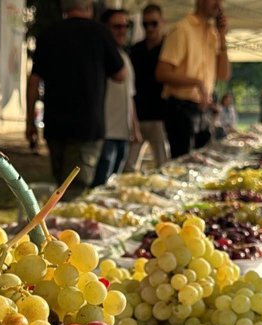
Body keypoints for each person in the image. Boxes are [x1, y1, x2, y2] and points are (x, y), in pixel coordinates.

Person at [26, 0, 125, 192]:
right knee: (74, 190)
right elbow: (120, 74)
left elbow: (33, 82)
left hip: (55, 126)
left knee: (61, 186)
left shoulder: (49, 34)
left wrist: (30, 122)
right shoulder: (99, 32)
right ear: (88, 7)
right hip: (87, 126)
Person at [155, 0, 231, 158]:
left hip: (202, 110)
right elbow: (162, 73)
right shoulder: (182, 29)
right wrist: (197, 83)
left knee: (203, 163)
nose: (218, 4)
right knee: (183, 164)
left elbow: (223, 75)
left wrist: (222, 36)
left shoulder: (212, 33)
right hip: (180, 108)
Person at [93, 9, 140, 187]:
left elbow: (130, 96)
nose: (123, 31)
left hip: (123, 134)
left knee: (114, 186)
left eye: (126, 26)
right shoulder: (98, 56)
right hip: (105, 134)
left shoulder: (125, 57)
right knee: (100, 186)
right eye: (117, 26)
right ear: (105, 28)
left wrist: (134, 128)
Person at [125, 4, 169, 172]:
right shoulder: (135, 50)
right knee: (129, 166)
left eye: (154, 23)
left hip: (160, 117)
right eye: (145, 24)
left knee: (163, 164)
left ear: (162, 22)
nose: (149, 28)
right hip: (138, 116)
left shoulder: (168, 49)